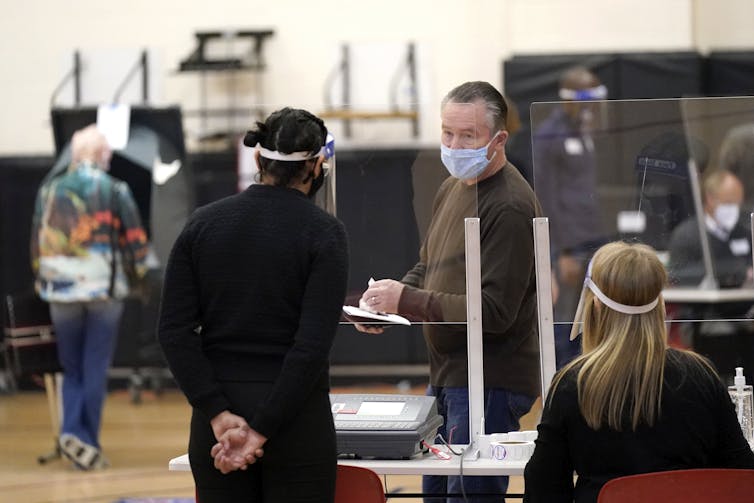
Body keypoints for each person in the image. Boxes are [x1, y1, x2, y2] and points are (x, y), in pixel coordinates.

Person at [358, 81, 541, 501]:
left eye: (468, 136)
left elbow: (494, 312)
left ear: (499, 140)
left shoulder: (509, 205)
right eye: (447, 133)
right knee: (437, 495)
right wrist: (387, 305)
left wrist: (408, 300)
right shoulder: (453, 187)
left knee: (468, 497)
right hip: (449, 376)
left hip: (488, 380)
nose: (455, 146)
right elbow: (430, 267)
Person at [157, 107, 348, 503]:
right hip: (297, 425)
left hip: (219, 429)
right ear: (315, 168)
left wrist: (218, 415)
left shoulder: (202, 224)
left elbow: (174, 333)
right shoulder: (325, 233)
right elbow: (310, 348)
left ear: (259, 160)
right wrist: (261, 430)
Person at [523, 241, 754, 503]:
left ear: (595, 305)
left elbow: (542, 489)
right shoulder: (700, 377)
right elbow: (742, 475)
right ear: (661, 304)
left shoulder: (573, 385)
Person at [30, 125, 150, 470]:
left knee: (71, 367)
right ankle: (88, 443)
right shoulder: (115, 189)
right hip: (102, 290)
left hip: (59, 289)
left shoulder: (49, 190)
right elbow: (135, 240)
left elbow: (37, 239)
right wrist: (141, 276)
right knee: (94, 365)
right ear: (101, 156)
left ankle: (71, 431)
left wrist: (43, 276)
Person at [531, 66, 608, 369]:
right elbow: (545, 196)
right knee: (564, 318)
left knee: (587, 315)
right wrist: (561, 252)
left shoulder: (584, 130)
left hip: (591, 236)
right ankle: (561, 378)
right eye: (586, 98)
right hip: (567, 243)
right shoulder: (551, 134)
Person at [668, 169, 752, 289]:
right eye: (728, 202)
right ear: (710, 198)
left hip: (741, 303)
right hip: (701, 304)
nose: (734, 209)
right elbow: (679, 274)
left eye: (737, 204)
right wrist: (737, 271)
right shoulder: (686, 235)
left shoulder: (742, 233)